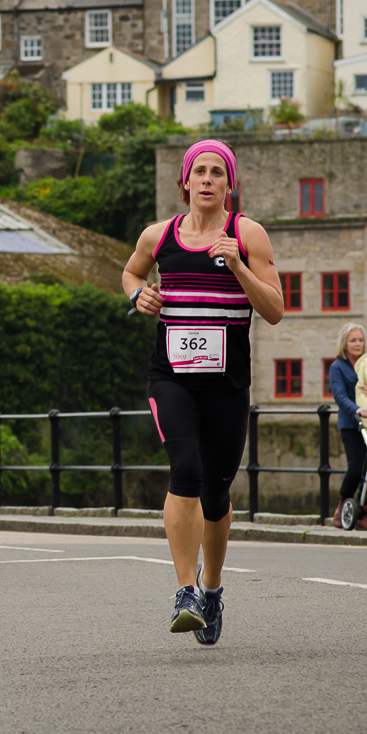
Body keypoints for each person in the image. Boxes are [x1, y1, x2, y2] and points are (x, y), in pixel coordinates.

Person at [124, 140, 283, 645]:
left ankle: (212, 590)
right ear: (185, 182)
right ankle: (185, 591)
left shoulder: (247, 233)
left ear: (229, 185)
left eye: (219, 172)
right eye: (201, 172)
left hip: (227, 384)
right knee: (185, 469)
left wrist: (237, 266)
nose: (209, 179)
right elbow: (131, 270)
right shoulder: (159, 235)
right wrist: (138, 293)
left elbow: (276, 309)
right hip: (170, 376)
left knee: (215, 493)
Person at [328, 323, 367, 527]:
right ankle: (342, 506)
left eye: (361, 340)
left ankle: (363, 514)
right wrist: (357, 410)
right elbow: (339, 396)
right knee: (356, 467)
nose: (358, 344)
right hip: (352, 423)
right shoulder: (338, 366)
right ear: (344, 344)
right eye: (353, 340)